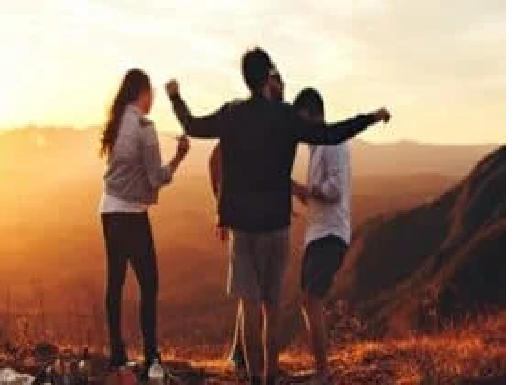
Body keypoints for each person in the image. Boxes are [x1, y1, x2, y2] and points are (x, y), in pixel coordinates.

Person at [166, 47, 390, 385]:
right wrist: (370, 118)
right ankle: (270, 376)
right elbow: (330, 133)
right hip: (277, 226)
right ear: (268, 76)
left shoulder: (232, 113)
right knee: (271, 305)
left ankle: (256, 377)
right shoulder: (286, 117)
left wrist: (175, 96)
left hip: (243, 226)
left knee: (250, 305)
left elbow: (192, 125)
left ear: (244, 78)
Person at [99, 68, 190, 377]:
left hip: (109, 210)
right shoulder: (144, 125)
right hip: (132, 215)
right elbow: (156, 177)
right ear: (144, 93)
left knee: (115, 282)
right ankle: (151, 355)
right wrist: (179, 157)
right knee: (149, 284)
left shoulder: (117, 120)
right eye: (150, 93)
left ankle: (117, 354)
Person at [208, 72, 285, 377]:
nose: (278, 87)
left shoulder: (275, 118)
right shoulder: (262, 119)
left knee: (255, 298)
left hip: (262, 222)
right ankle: (251, 365)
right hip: (254, 222)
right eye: (274, 82)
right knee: (258, 300)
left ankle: (252, 366)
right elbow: (217, 159)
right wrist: (222, 207)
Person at [292, 88, 351, 385]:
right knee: (308, 300)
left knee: (311, 299)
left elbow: (334, 189)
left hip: (331, 233)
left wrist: (306, 190)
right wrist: (298, 190)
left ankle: (323, 373)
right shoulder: (317, 147)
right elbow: (319, 193)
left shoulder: (333, 142)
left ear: (314, 114)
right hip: (317, 233)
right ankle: (319, 369)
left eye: (302, 120)